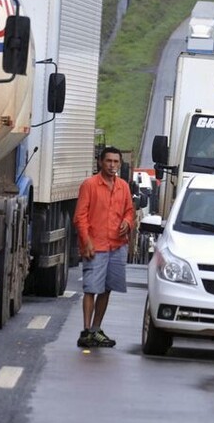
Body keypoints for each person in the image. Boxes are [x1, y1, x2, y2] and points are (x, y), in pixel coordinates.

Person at [73, 146, 135, 348]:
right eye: (108, 161)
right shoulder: (89, 185)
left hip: (117, 246)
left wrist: (128, 222)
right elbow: (80, 217)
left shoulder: (123, 186)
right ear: (100, 162)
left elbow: (129, 211)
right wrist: (87, 241)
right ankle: (85, 331)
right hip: (96, 245)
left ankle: (96, 329)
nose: (112, 165)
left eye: (116, 162)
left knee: (107, 289)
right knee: (91, 288)